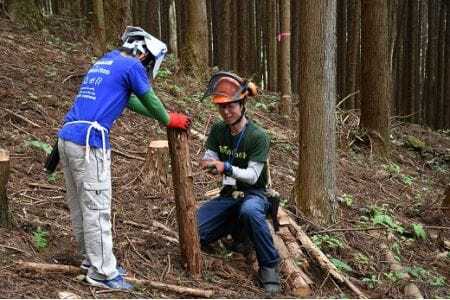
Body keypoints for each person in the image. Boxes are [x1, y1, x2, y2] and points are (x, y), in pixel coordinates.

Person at [57, 26, 190, 290]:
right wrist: (168, 119)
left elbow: (131, 102)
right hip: (88, 142)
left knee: (82, 206)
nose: (149, 69)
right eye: (150, 64)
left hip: (68, 136)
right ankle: (103, 272)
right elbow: (149, 98)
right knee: (97, 207)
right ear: (145, 55)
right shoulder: (131, 64)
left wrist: (161, 115)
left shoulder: (107, 60)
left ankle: (91, 260)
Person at [197, 71, 280, 295]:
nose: (226, 111)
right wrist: (209, 161)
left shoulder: (257, 136)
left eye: (231, 106)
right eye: (221, 107)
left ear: (242, 104)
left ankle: (269, 267)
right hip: (228, 194)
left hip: (255, 194)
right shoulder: (218, 130)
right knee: (196, 230)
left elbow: (253, 176)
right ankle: (239, 232)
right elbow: (209, 155)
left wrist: (227, 167)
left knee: (251, 211)